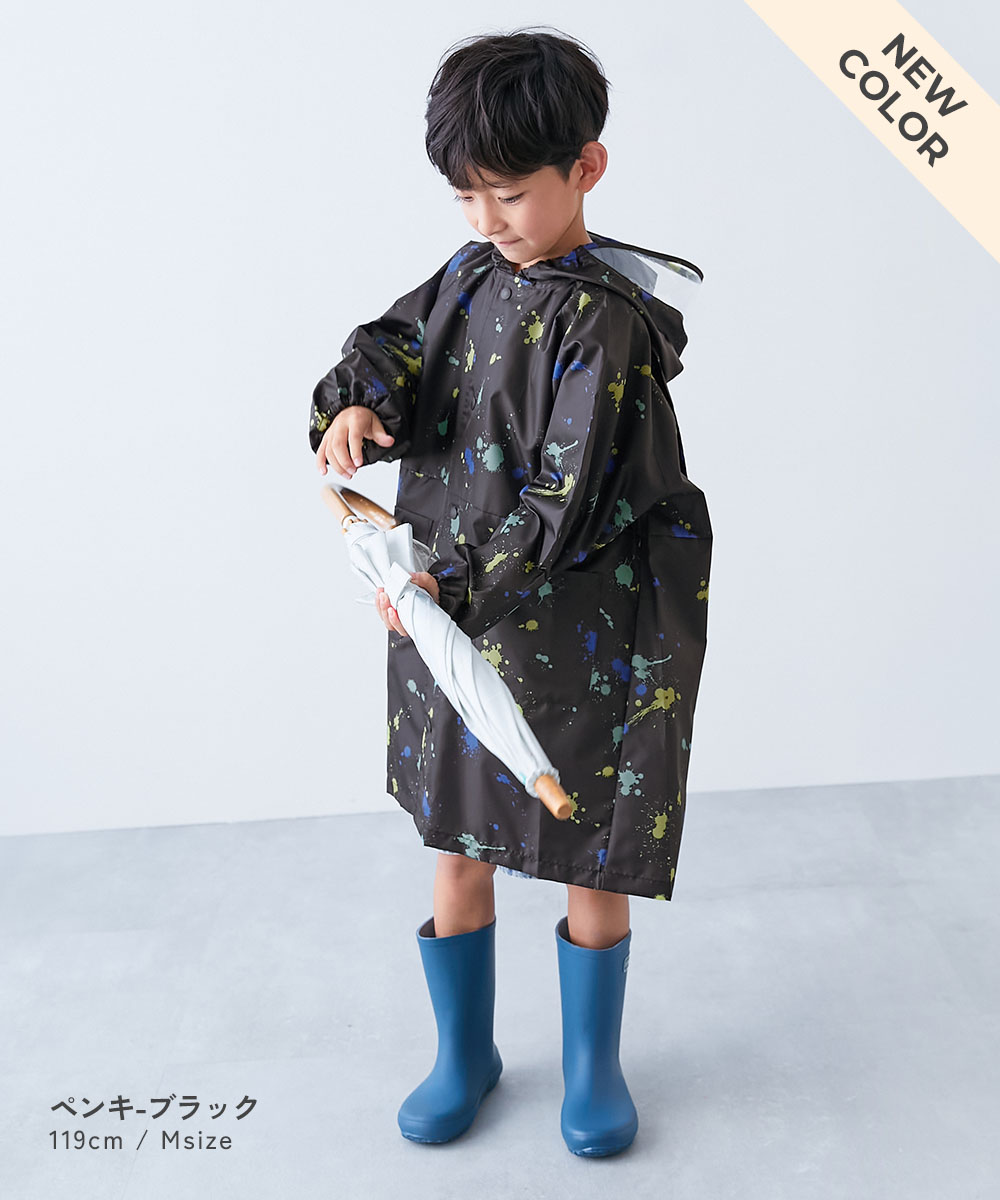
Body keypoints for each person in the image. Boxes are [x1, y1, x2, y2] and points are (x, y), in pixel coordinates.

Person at [309, 27, 712, 1156]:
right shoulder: (468, 274)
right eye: (466, 196)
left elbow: (566, 497)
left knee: (589, 844)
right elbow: (395, 345)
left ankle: (592, 1068)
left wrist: (446, 585)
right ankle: (464, 1056)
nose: (488, 220)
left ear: (586, 168)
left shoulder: (606, 322)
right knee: (458, 837)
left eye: (511, 193)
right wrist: (357, 402)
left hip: (583, 624)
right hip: (450, 609)